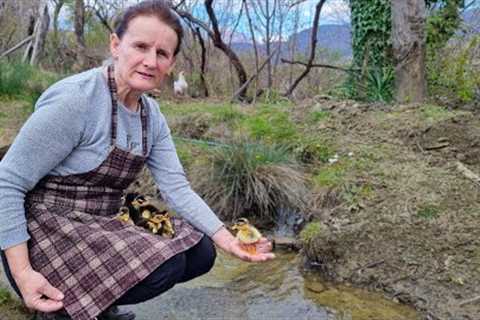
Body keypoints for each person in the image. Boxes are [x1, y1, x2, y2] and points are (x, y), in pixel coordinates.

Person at [0, 1, 274, 319]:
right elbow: (6, 182)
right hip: (44, 232)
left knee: (200, 252)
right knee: (166, 266)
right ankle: (65, 308)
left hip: (98, 224)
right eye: (140, 46)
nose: (149, 61)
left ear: (171, 63)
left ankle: (98, 302)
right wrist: (22, 273)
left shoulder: (151, 116)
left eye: (162, 54)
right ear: (116, 45)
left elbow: (176, 188)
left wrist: (227, 238)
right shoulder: (77, 100)